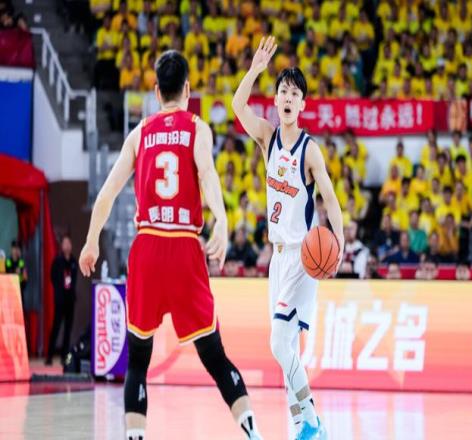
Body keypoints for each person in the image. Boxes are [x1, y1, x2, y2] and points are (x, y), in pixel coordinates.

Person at [79, 50, 262, 440]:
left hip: (147, 246)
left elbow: (107, 194)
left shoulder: (139, 133)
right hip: (183, 247)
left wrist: (91, 241)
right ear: (188, 90)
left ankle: (135, 436)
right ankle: (252, 431)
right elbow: (208, 175)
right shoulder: (197, 129)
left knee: (137, 361)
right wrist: (222, 220)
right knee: (214, 355)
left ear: (156, 91)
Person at [232, 36, 344, 440]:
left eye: (295, 93)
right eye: (283, 91)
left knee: (280, 343)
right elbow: (237, 106)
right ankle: (303, 428)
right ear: (277, 99)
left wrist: (339, 246)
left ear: (303, 104)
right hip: (277, 259)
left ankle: (311, 418)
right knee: (285, 350)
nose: (288, 98)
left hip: (304, 256)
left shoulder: (310, 151)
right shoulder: (268, 137)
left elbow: (330, 199)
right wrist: (254, 70)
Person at [46, 235, 78, 366]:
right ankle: (49, 356)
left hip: (70, 300)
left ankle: (64, 357)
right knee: (56, 327)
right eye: (65, 243)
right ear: (61, 245)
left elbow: (74, 279)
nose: (67, 245)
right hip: (60, 300)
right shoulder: (57, 261)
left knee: (68, 329)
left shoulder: (74, 261)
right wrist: (58, 291)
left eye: (69, 243)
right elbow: (52, 277)